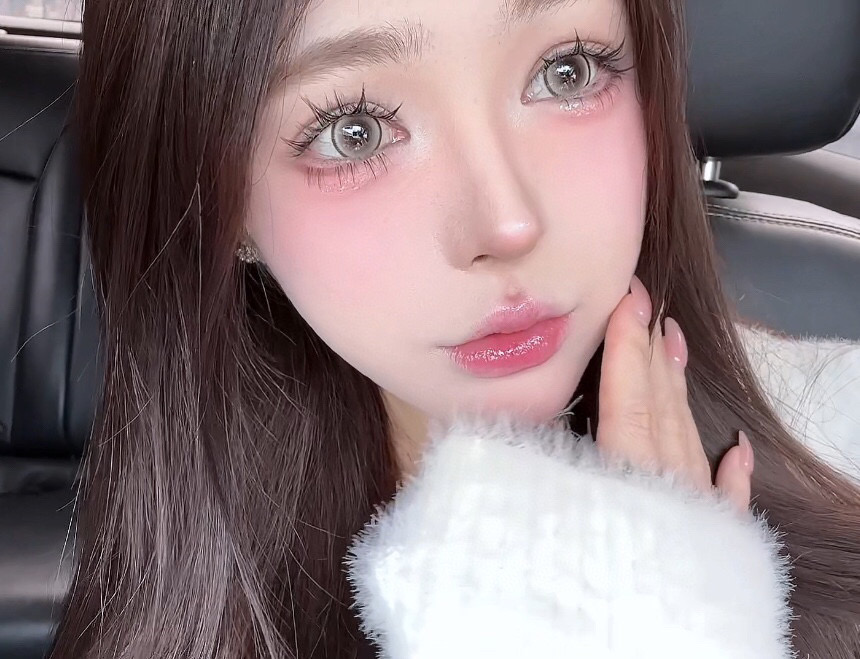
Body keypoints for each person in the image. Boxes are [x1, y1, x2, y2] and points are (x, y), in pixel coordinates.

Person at [50, 0, 859, 657]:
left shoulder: (844, 439)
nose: (507, 223)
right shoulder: (182, 606)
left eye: (567, 70)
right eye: (354, 130)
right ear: (224, 206)